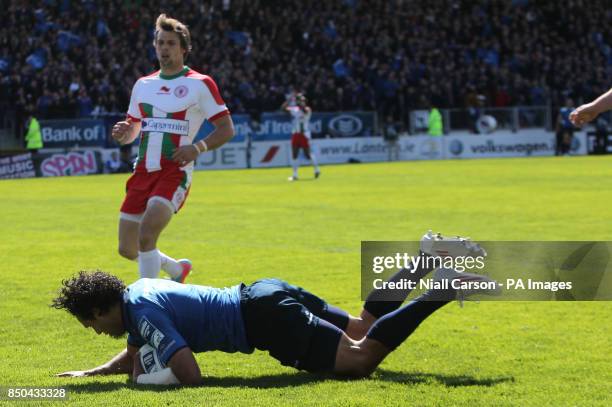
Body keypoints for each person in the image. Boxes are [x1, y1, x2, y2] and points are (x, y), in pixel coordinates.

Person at [53, 232, 499, 385]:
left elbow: (190, 374)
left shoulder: (144, 314)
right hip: (262, 291)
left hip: (263, 320)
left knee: (360, 359)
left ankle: (441, 288)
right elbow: (135, 351)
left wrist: (142, 386)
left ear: (99, 310)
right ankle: (426, 258)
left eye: (88, 323)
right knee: (364, 324)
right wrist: (95, 374)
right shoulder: (139, 296)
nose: (92, 332)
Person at [111, 14, 234, 281]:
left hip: (174, 171)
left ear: (184, 49)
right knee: (127, 248)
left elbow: (227, 129)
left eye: (170, 43)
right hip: (143, 171)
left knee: (146, 235)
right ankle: (177, 269)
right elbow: (133, 129)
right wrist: (124, 132)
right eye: (160, 43)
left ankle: (149, 303)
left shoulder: (200, 83)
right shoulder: (143, 85)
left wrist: (197, 148)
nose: (164, 48)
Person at [281, 93, 320, 181]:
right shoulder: (294, 109)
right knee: (294, 154)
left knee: (307, 154)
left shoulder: (307, 109)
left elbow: (304, 111)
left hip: (304, 134)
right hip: (296, 133)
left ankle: (316, 169)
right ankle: (295, 175)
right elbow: (283, 109)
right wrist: (288, 100)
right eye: (300, 100)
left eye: (302, 100)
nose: (301, 102)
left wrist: (300, 105)